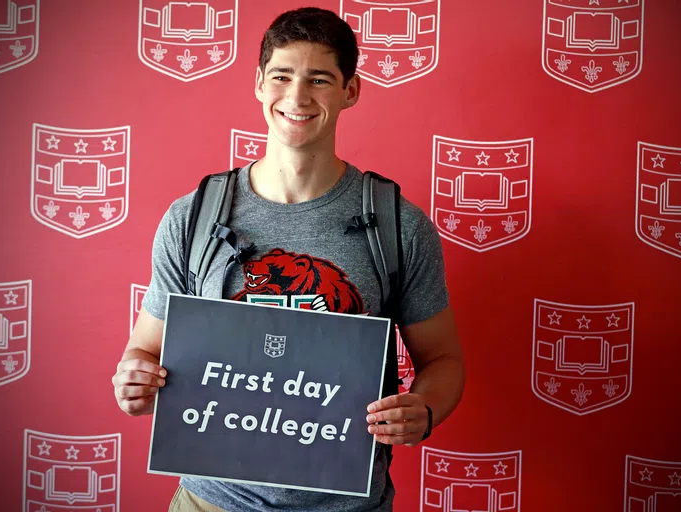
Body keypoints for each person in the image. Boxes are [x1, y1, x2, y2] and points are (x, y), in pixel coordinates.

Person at [112, 7, 464, 511]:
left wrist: (423, 409)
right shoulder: (192, 217)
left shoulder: (399, 224)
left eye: (319, 79)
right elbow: (144, 350)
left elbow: (444, 360)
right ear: (258, 83)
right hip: (211, 500)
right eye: (282, 76)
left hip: (347, 502)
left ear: (351, 90)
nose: (297, 97)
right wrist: (134, 380)